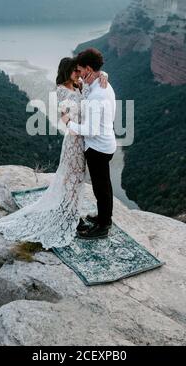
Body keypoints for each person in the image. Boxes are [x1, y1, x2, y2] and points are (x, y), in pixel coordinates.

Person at [0, 56, 108, 249]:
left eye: (79, 71)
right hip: (74, 142)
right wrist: (70, 119)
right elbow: (67, 118)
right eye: (75, 71)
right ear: (67, 72)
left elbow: (93, 82)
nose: (78, 74)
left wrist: (104, 74)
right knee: (72, 181)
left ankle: (72, 213)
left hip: (83, 140)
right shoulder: (63, 91)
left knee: (76, 181)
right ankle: (71, 217)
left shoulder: (79, 85)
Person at [61, 48, 117, 239]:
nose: (79, 74)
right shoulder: (102, 86)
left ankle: (103, 226)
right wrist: (102, 74)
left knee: (101, 189)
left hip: (98, 148)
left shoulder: (97, 96)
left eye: (80, 69)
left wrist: (69, 123)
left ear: (88, 69)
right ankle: (103, 217)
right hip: (106, 143)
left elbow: (90, 130)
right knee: (104, 186)